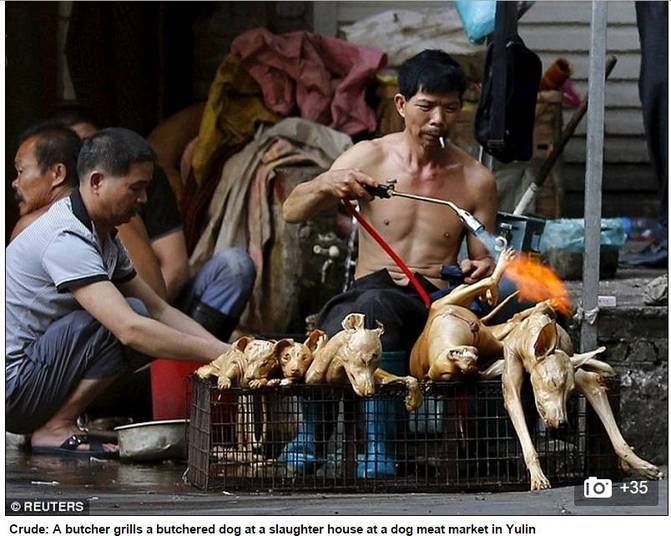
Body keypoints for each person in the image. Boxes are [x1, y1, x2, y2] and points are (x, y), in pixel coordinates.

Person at [281, 50, 497, 478]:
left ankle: (365, 445)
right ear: (401, 106)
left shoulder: (475, 179)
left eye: (451, 108)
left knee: (366, 311)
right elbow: (291, 210)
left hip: (432, 301)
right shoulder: (367, 158)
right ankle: (323, 439)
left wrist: (482, 269)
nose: (439, 118)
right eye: (427, 106)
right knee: (360, 310)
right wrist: (327, 183)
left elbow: (485, 261)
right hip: (370, 293)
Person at [5, 128, 230, 458]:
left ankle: (56, 421)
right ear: (96, 182)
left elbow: (160, 310)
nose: (143, 200)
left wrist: (230, 352)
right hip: (13, 389)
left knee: (140, 311)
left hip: (33, 376)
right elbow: (129, 327)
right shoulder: (65, 236)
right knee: (128, 318)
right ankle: (56, 426)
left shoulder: (103, 235)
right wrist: (221, 354)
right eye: (135, 188)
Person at [13, 107, 256, 342]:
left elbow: (166, 286)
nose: (15, 183)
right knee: (123, 318)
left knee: (232, 266)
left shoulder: (112, 218)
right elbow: (130, 325)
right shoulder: (63, 225)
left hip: (154, 316)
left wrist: (219, 352)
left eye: (21, 171)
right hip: (33, 366)